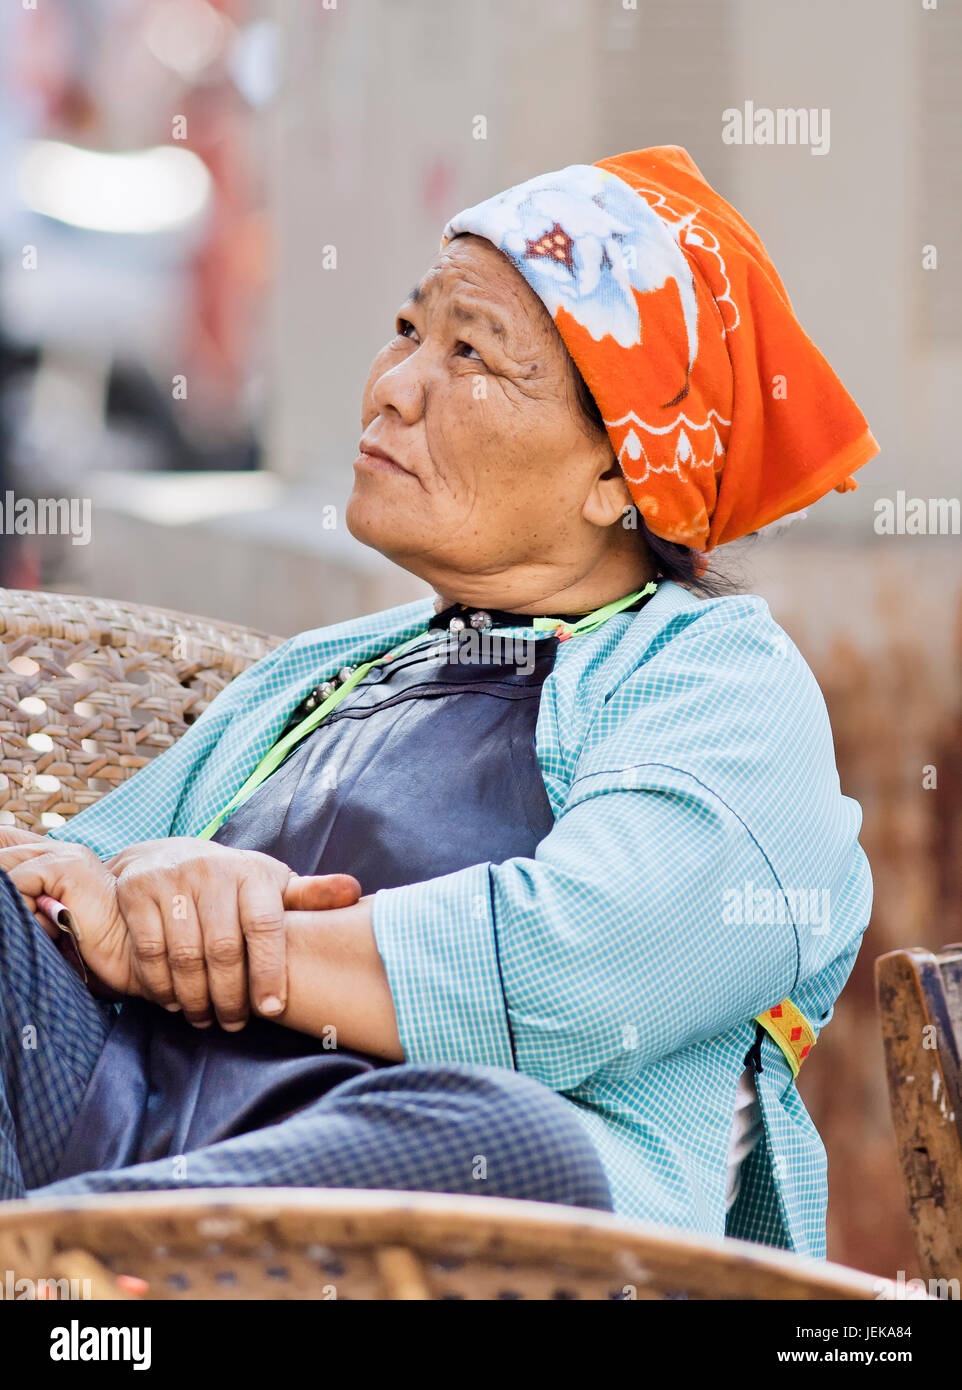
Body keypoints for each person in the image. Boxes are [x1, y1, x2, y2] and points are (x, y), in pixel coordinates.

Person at [0, 146, 878, 1258]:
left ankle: (71, 1260)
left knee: (515, 1154)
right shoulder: (330, 668)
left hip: (402, 1183)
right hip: (114, 1114)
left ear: (621, 475)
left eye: (470, 353)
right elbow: (50, 881)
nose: (393, 384)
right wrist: (128, 885)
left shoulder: (714, 681)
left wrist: (239, 938)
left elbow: (582, 970)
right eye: (410, 329)